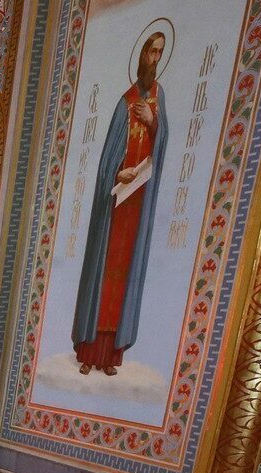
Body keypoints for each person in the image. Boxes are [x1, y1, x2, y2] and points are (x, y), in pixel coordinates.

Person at [72, 30, 169, 376]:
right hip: (115, 207)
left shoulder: (157, 101)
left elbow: (162, 143)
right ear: (142, 55)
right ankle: (88, 353)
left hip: (137, 206)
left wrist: (152, 122)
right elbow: (106, 162)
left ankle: (111, 357)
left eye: (160, 53)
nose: (154, 59)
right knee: (103, 276)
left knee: (124, 280)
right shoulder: (124, 102)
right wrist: (118, 174)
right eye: (150, 53)